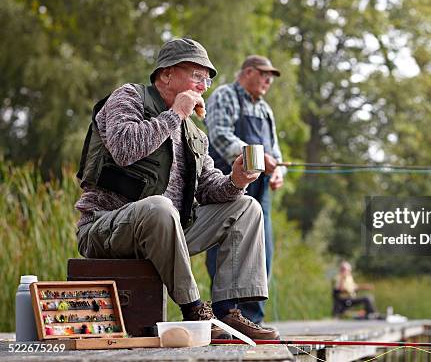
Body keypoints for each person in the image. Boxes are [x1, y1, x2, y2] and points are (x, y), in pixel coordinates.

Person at [74, 38, 279, 340]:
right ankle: (195, 311)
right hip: (106, 229)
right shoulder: (129, 97)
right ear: (166, 74)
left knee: (246, 206)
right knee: (159, 206)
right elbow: (123, 148)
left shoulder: (194, 134)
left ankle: (229, 313)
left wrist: (237, 180)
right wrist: (175, 115)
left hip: (169, 233)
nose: (204, 84)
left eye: (207, 78)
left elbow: (209, 188)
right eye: (197, 75)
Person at [205, 55, 284, 324]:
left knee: (264, 250)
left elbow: (275, 149)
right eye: (264, 74)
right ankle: (226, 315)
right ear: (248, 72)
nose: (268, 81)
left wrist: (277, 172)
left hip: (261, 188)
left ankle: (253, 320)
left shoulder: (265, 109)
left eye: (271, 77)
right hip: (228, 182)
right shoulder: (225, 95)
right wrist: (258, 160)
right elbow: (220, 135)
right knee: (226, 246)